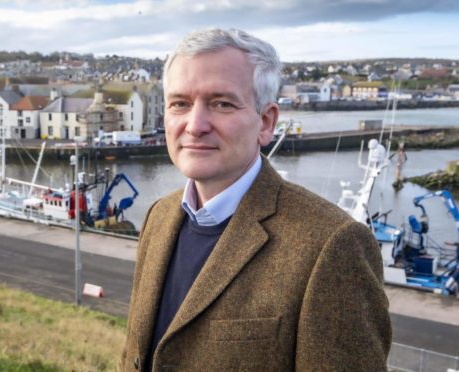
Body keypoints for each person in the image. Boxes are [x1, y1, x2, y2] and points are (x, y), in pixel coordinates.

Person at [121, 28, 391, 371]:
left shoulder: (332, 245)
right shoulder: (159, 216)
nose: (195, 125)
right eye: (180, 104)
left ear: (265, 123)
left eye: (222, 103)